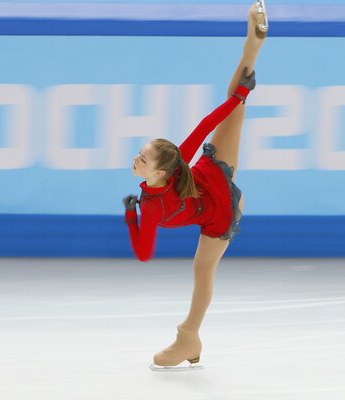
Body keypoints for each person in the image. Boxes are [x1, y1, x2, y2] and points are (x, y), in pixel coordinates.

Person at [123, 1, 267, 371]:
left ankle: (190, 336)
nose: (135, 159)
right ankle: (251, 49)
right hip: (211, 176)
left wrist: (131, 217)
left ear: (158, 173)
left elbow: (142, 250)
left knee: (203, 271)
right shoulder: (175, 164)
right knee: (235, 108)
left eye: (141, 157)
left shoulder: (154, 202)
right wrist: (238, 97)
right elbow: (204, 126)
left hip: (219, 208)